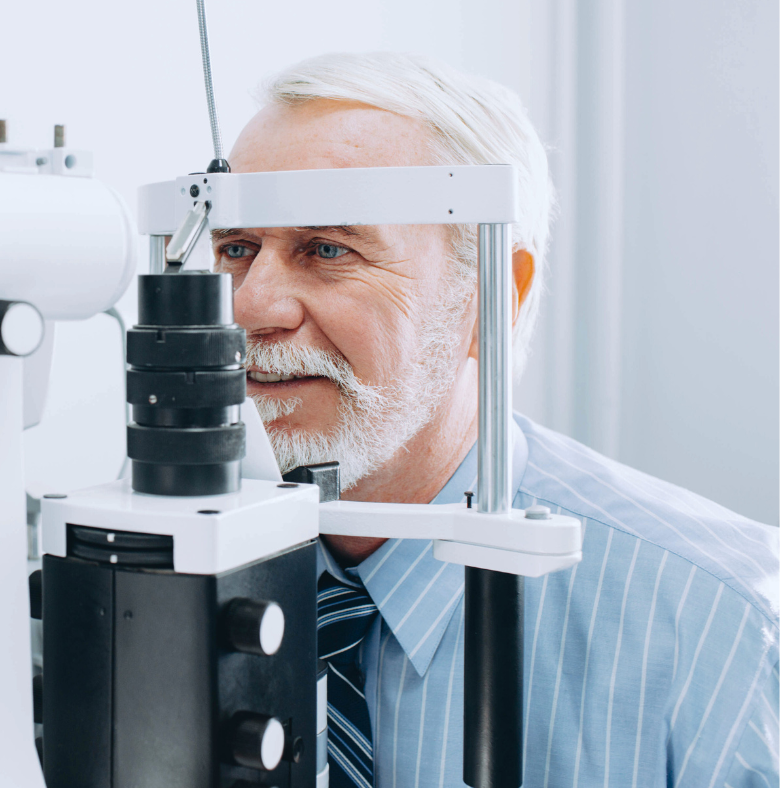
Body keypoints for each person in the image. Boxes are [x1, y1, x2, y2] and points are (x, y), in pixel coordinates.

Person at [213, 52, 779, 788]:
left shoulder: (718, 630)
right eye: (236, 249)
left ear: (493, 298)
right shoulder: (159, 577)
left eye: (327, 249)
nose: (251, 307)